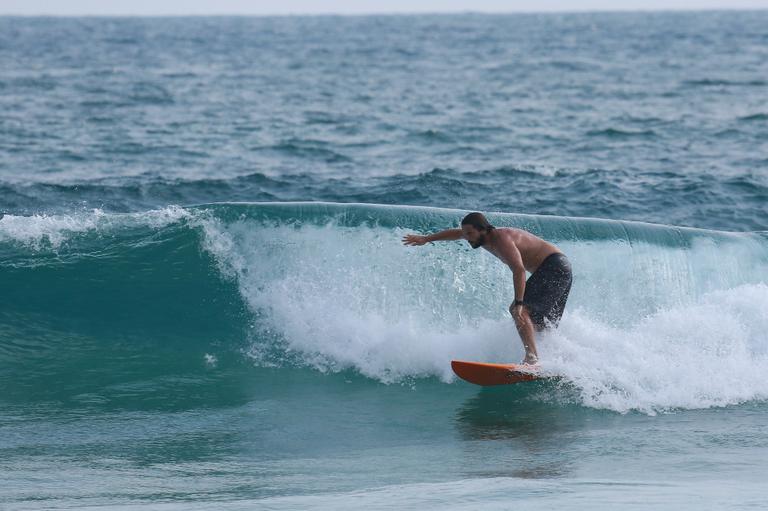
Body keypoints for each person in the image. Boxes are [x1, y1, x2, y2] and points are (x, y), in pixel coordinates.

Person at [402, 212, 572, 365]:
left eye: (470, 234)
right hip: (560, 268)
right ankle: (560, 361)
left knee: (519, 311)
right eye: (466, 234)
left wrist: (519, 303)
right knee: (543, 325)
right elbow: (455, 233)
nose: (467, 238)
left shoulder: (502, 240)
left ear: (483, 229)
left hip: (553, 267)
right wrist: (426, 239)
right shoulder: (479, 236)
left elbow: (519, 270)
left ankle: (532, 359)